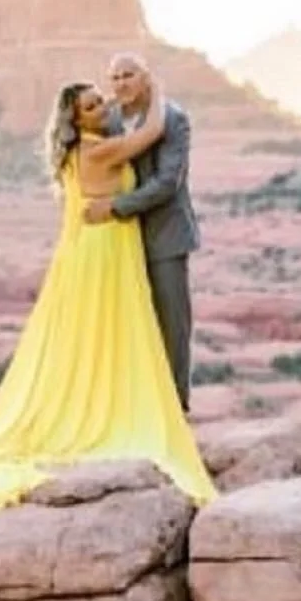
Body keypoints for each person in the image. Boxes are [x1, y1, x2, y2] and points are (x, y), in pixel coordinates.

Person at [0, 79, 216, 521]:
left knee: (105, 331)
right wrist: (151, 84)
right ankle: (116, 409)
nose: (103, 106)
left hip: (102, 245)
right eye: (93, 105)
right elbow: (151, 132)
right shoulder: (96, 150)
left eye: (101, 100)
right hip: (105, 249)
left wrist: (121, 97)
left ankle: (112, 399)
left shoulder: (84, 148)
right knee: (114, 326)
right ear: (76, 119)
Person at [83, 53, 199, 413]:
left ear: (146, 78)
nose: (120, 83)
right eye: (114, 77)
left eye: (128, 75)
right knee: (131, 325)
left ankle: (176, 409)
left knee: (171, 326)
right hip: (122, 241)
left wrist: (115, 208)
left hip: (165, 237)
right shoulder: (111, 118)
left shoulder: (175, 119)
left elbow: (168, 183)